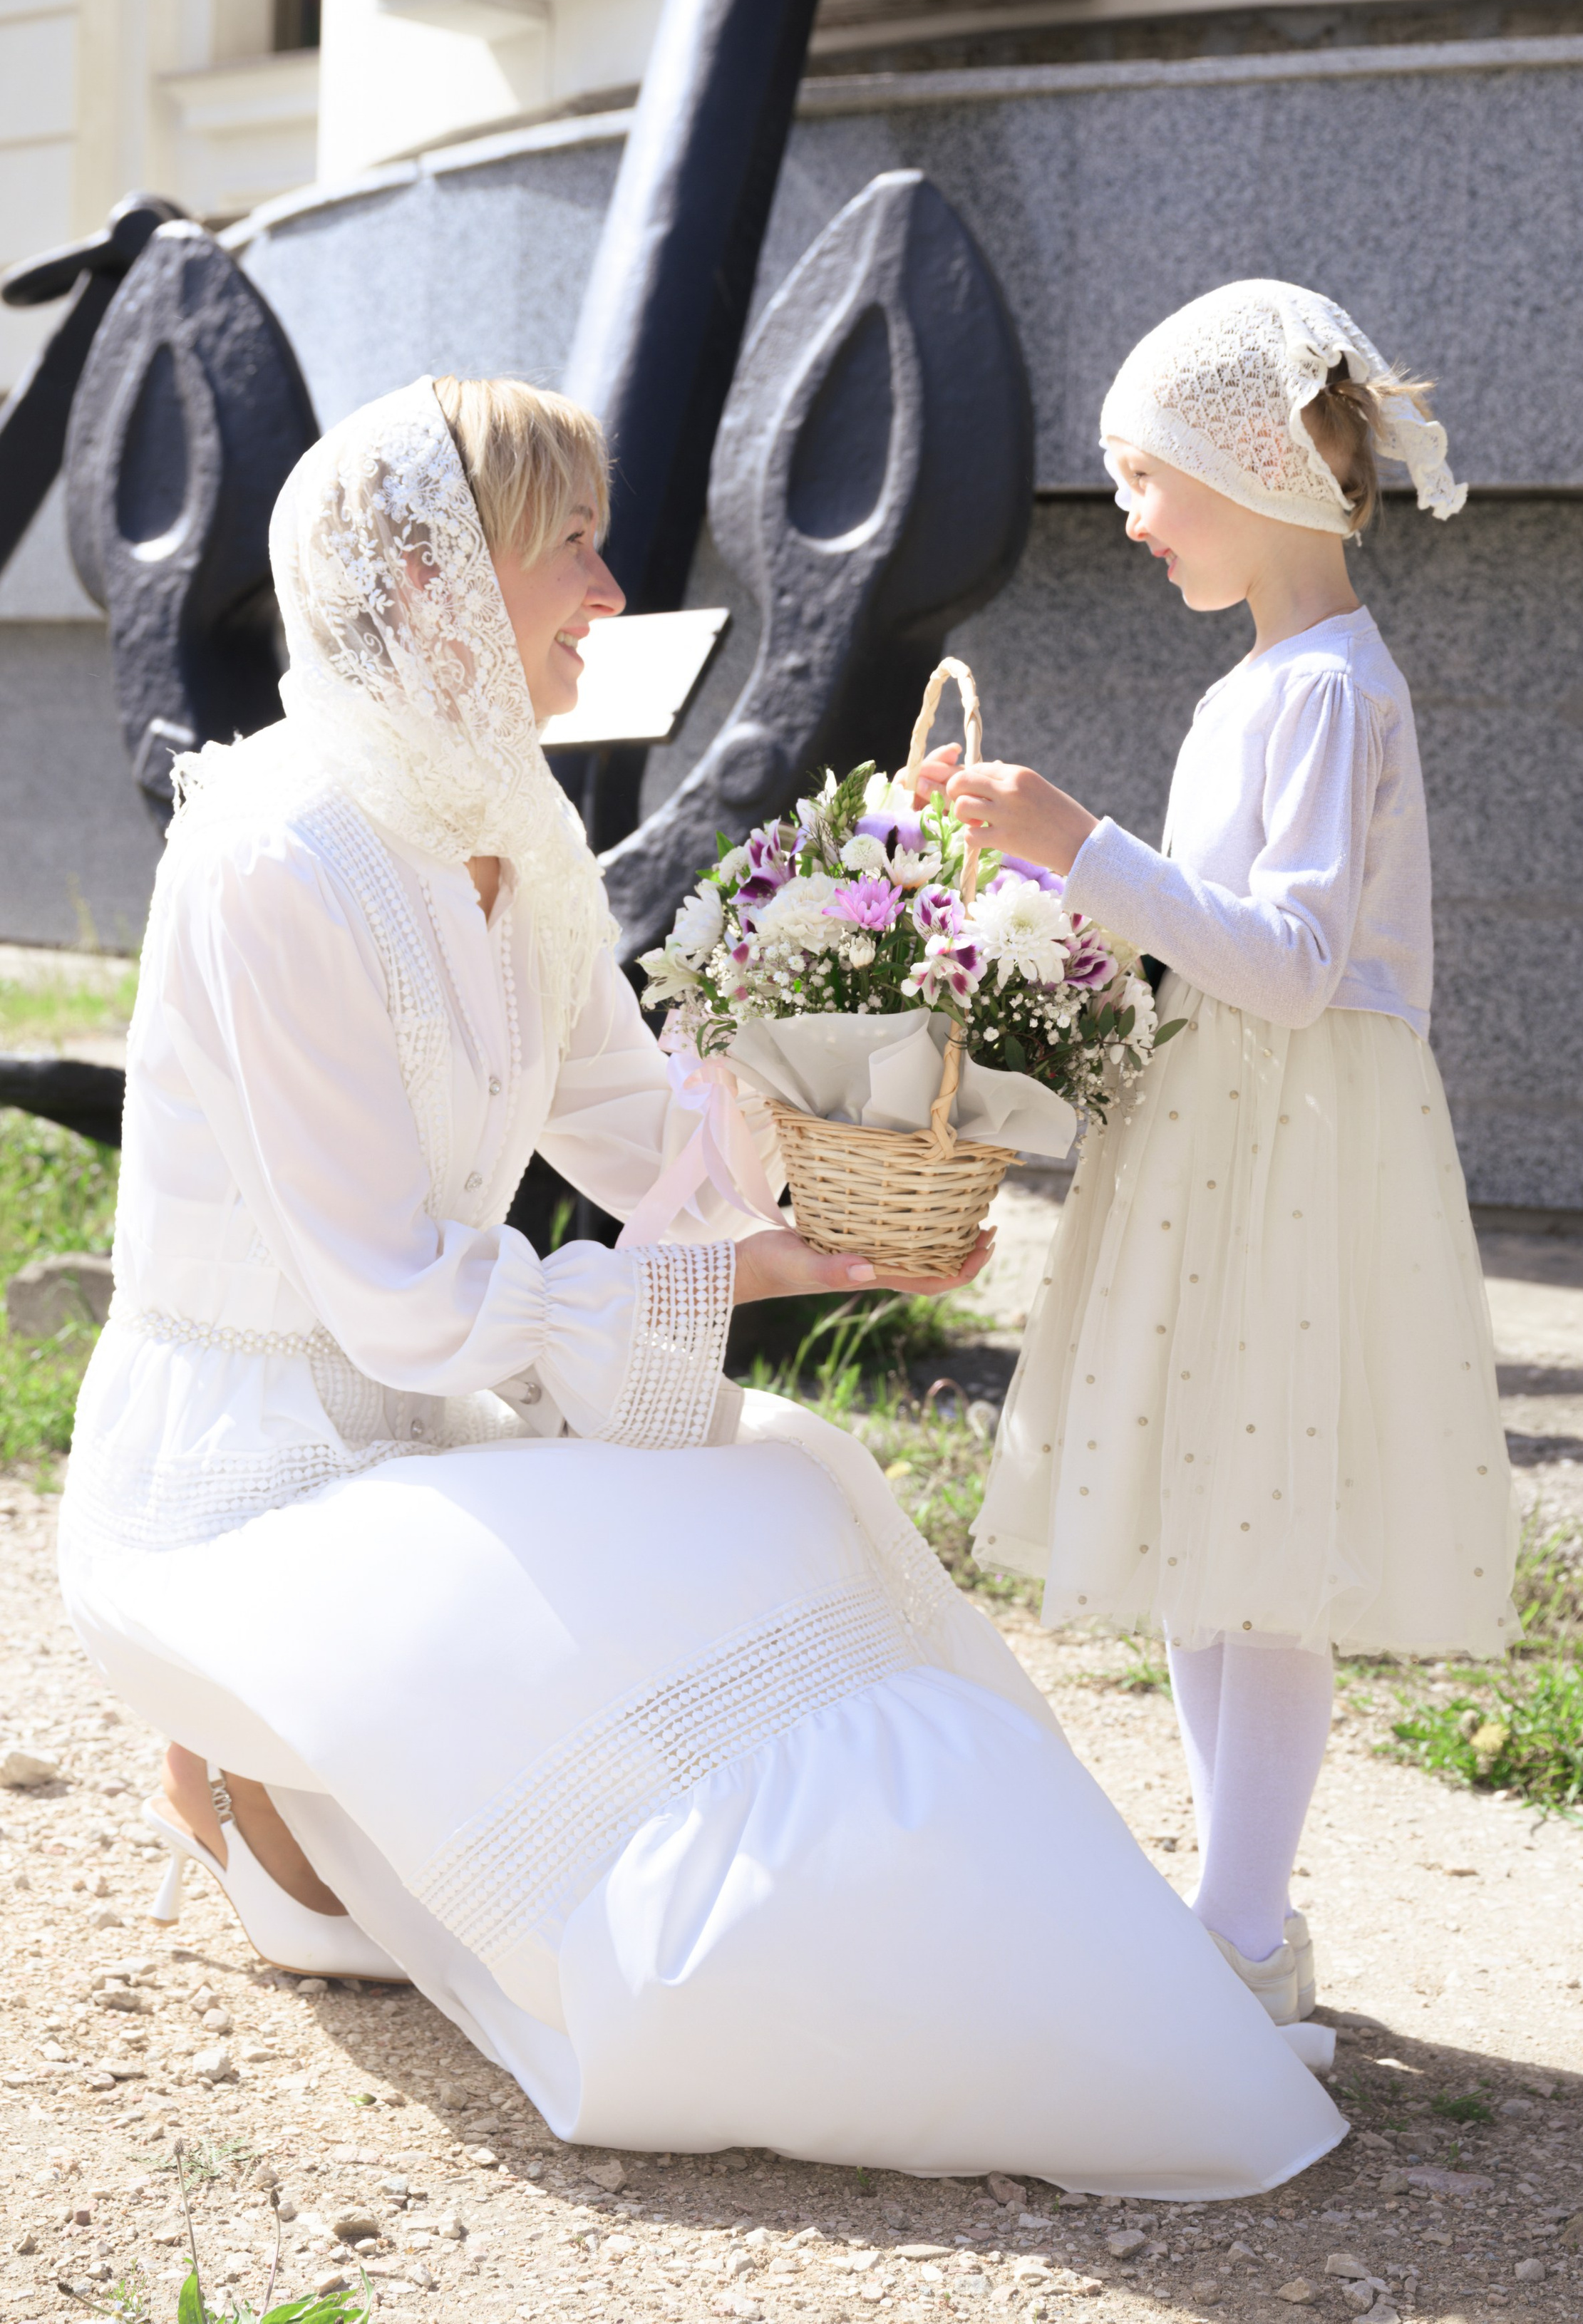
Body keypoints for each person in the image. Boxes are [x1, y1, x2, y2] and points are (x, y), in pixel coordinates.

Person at [57, 373, 1344, 2195]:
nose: (607, 594)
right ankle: (259, 1761)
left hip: (426, 1419)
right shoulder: (275, 851)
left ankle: (1051, 1996)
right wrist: (704, 1286)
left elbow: (615, 1110)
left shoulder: (510, 811)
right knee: (704, 1574)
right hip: (252, 1474)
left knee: (789, 1492)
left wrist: (813, 1200)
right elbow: (392, 1301)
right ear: (433, 586)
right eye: (569, 549)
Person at [932, 282, 1519, 2027]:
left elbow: (1285, 961)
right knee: (1210, 1524)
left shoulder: (1330, 691)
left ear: (1247, 468)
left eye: (1142, 477)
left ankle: (1245, 1936)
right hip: (1224, 1132)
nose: (1124, 517)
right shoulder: (1264, 682)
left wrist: (1076, 841)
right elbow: (1202, 945)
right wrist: (1035, 909)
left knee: (1256, 1547)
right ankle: (1234, 1915)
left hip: (1292, 1143)